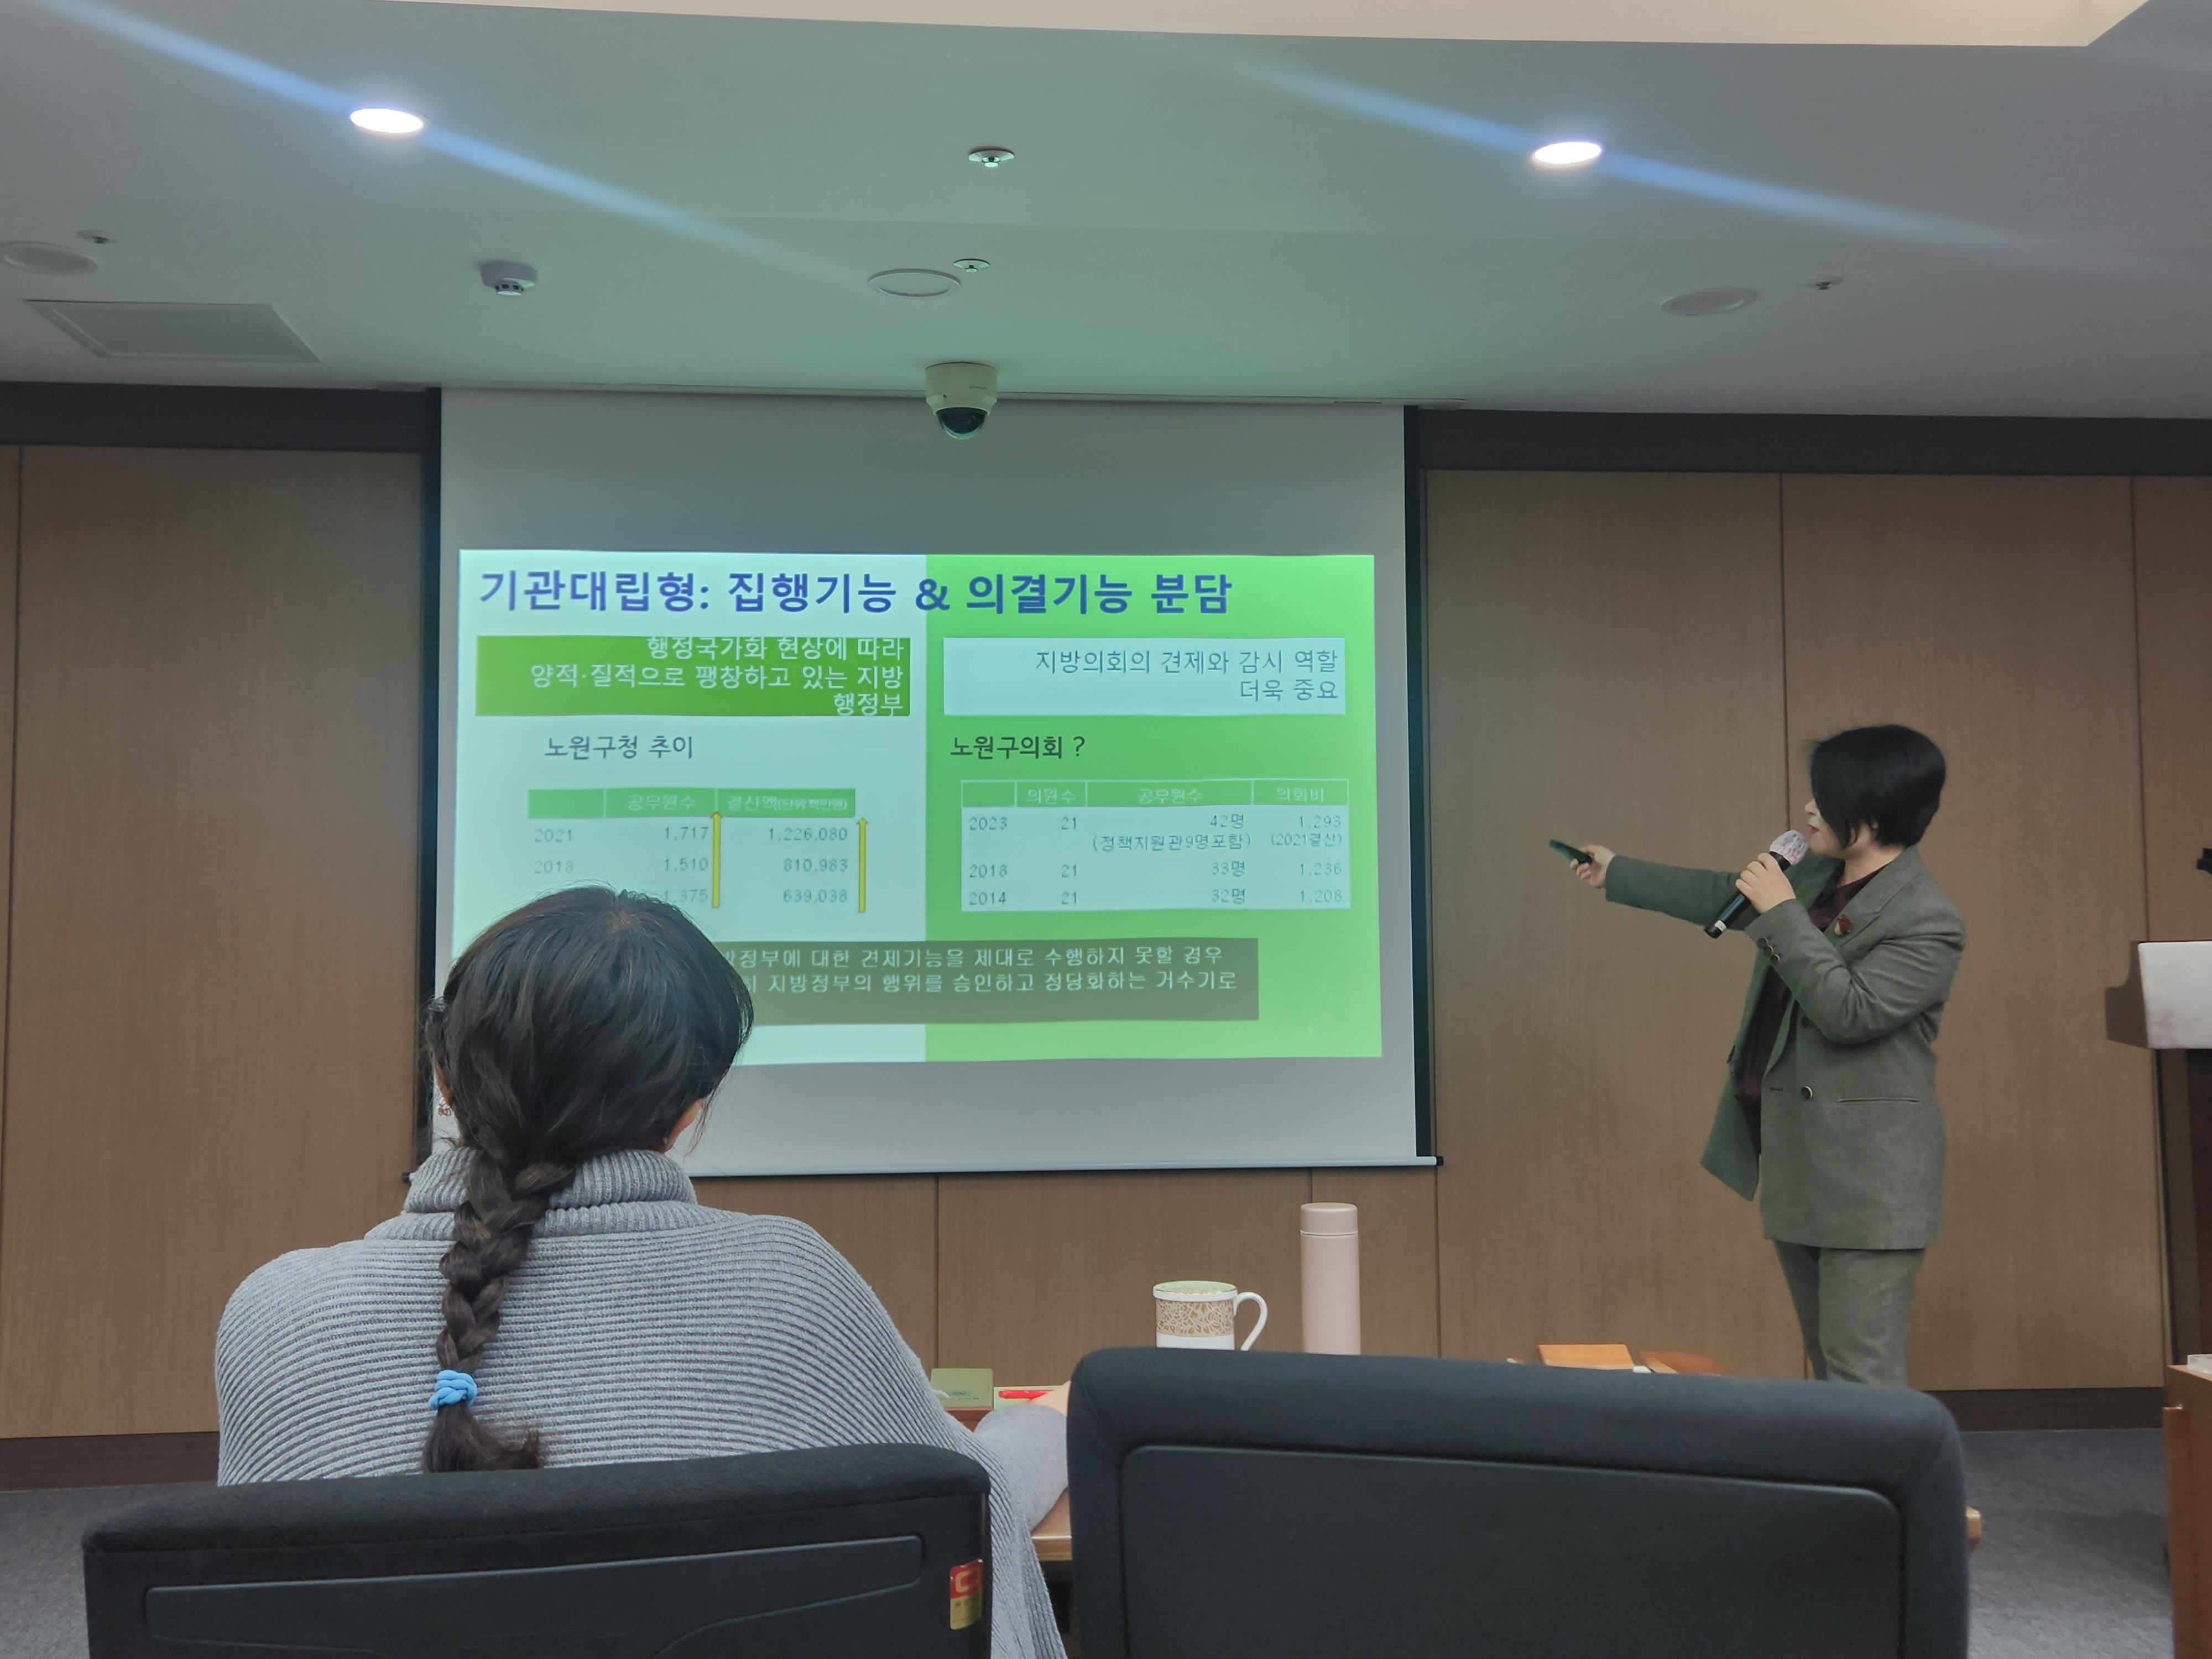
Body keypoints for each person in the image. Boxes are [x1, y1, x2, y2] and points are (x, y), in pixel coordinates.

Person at [215, 888, 1068, 1659]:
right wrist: (1051, 1424)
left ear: (444, 1078)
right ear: (690, 1107)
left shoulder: (278, 1317)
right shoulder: (793, 1287)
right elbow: (965, 1507)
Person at [1570, 724, 1964, 1388]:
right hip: (1800, 1163)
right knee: (1830, 1367)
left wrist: (1781, 914)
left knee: (1860, 1373)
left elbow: (1850, 1013)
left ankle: (1892, 1463)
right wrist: (1619, 872)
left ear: (1868, 818)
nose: (1807, 809)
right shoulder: (1812, 877)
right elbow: (1723, 894)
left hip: (1869, 1184)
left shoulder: (1927, 919)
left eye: (1822, 798)